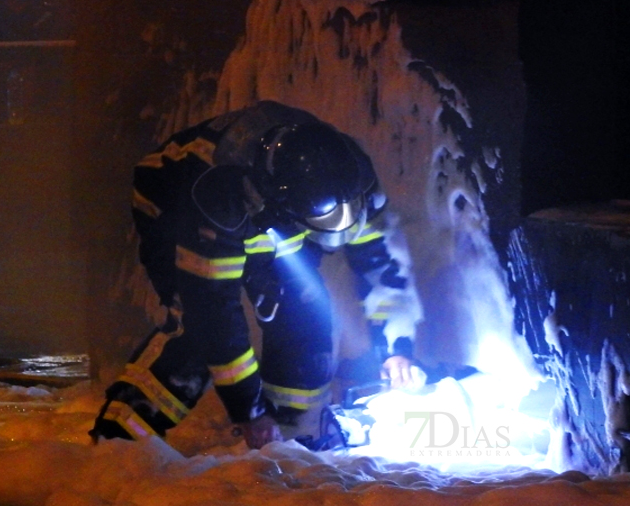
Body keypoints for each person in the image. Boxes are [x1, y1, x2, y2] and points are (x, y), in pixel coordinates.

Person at [90, 100, 423, 451]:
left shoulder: (350, 175)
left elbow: (381, 266)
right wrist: (247, 410)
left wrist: (395, 349)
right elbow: (213, 314)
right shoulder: (219, 196)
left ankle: (293, 438)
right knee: (196, 331)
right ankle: (118, 442)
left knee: (305, 314)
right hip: (173, 209)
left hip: (271, 218)